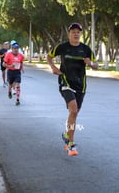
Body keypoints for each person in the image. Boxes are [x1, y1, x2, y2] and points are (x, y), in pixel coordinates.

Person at [47, 22, 98, 156]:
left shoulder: (86, 49)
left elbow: (96, 65)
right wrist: (53, 68)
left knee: (74, 113)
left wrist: (91, 63)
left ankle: (66, 134)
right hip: (65, 82)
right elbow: (49, 56)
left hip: (81, 85)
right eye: (73, 31)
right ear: (69, 33)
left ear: (80, 34)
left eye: (78, 32)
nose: (76, 34)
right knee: (74, 109)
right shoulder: (62, 47)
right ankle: (71, 143)